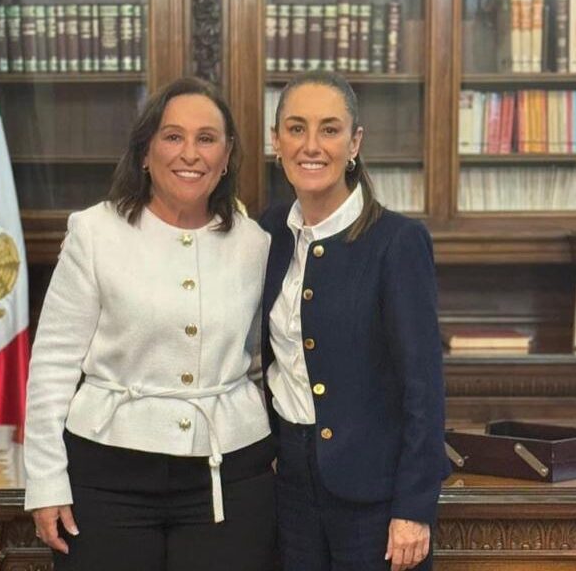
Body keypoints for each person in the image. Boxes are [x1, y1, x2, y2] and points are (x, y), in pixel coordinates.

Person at [24, 77, 275, 571]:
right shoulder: (95, 232)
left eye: (207, 139)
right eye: (172, 136)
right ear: (145, 151)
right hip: (107, 473)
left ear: (226, 158)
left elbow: (268, 361)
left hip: (228, 475)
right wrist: (46, 480)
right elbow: (52, 364)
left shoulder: (255, 244)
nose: (190, 153)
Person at [261, 70, 450, 571]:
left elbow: (423, 389)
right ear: (275, 140)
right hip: (291, 487)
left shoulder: (397, 242)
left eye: (330, 129)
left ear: (355, 142)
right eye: (296, 129)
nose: (311, 145)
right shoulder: (268, 235)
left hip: (376, 496)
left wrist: (413, 507)